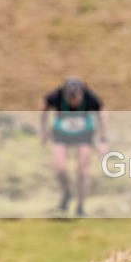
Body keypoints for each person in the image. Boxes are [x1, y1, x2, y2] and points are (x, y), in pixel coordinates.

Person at [39, 77, 108, 217]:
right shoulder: (56, 95)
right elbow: (43, 106)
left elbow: (102, 113)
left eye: (75, 99)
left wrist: (103, 140)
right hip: (61, 133)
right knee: (60, 169)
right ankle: (67, 192)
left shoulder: (89, 97)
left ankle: (80, 207)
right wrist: (43, 130)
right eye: (70, 99)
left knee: (82, 171)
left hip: (84, 134)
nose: (73, 102)